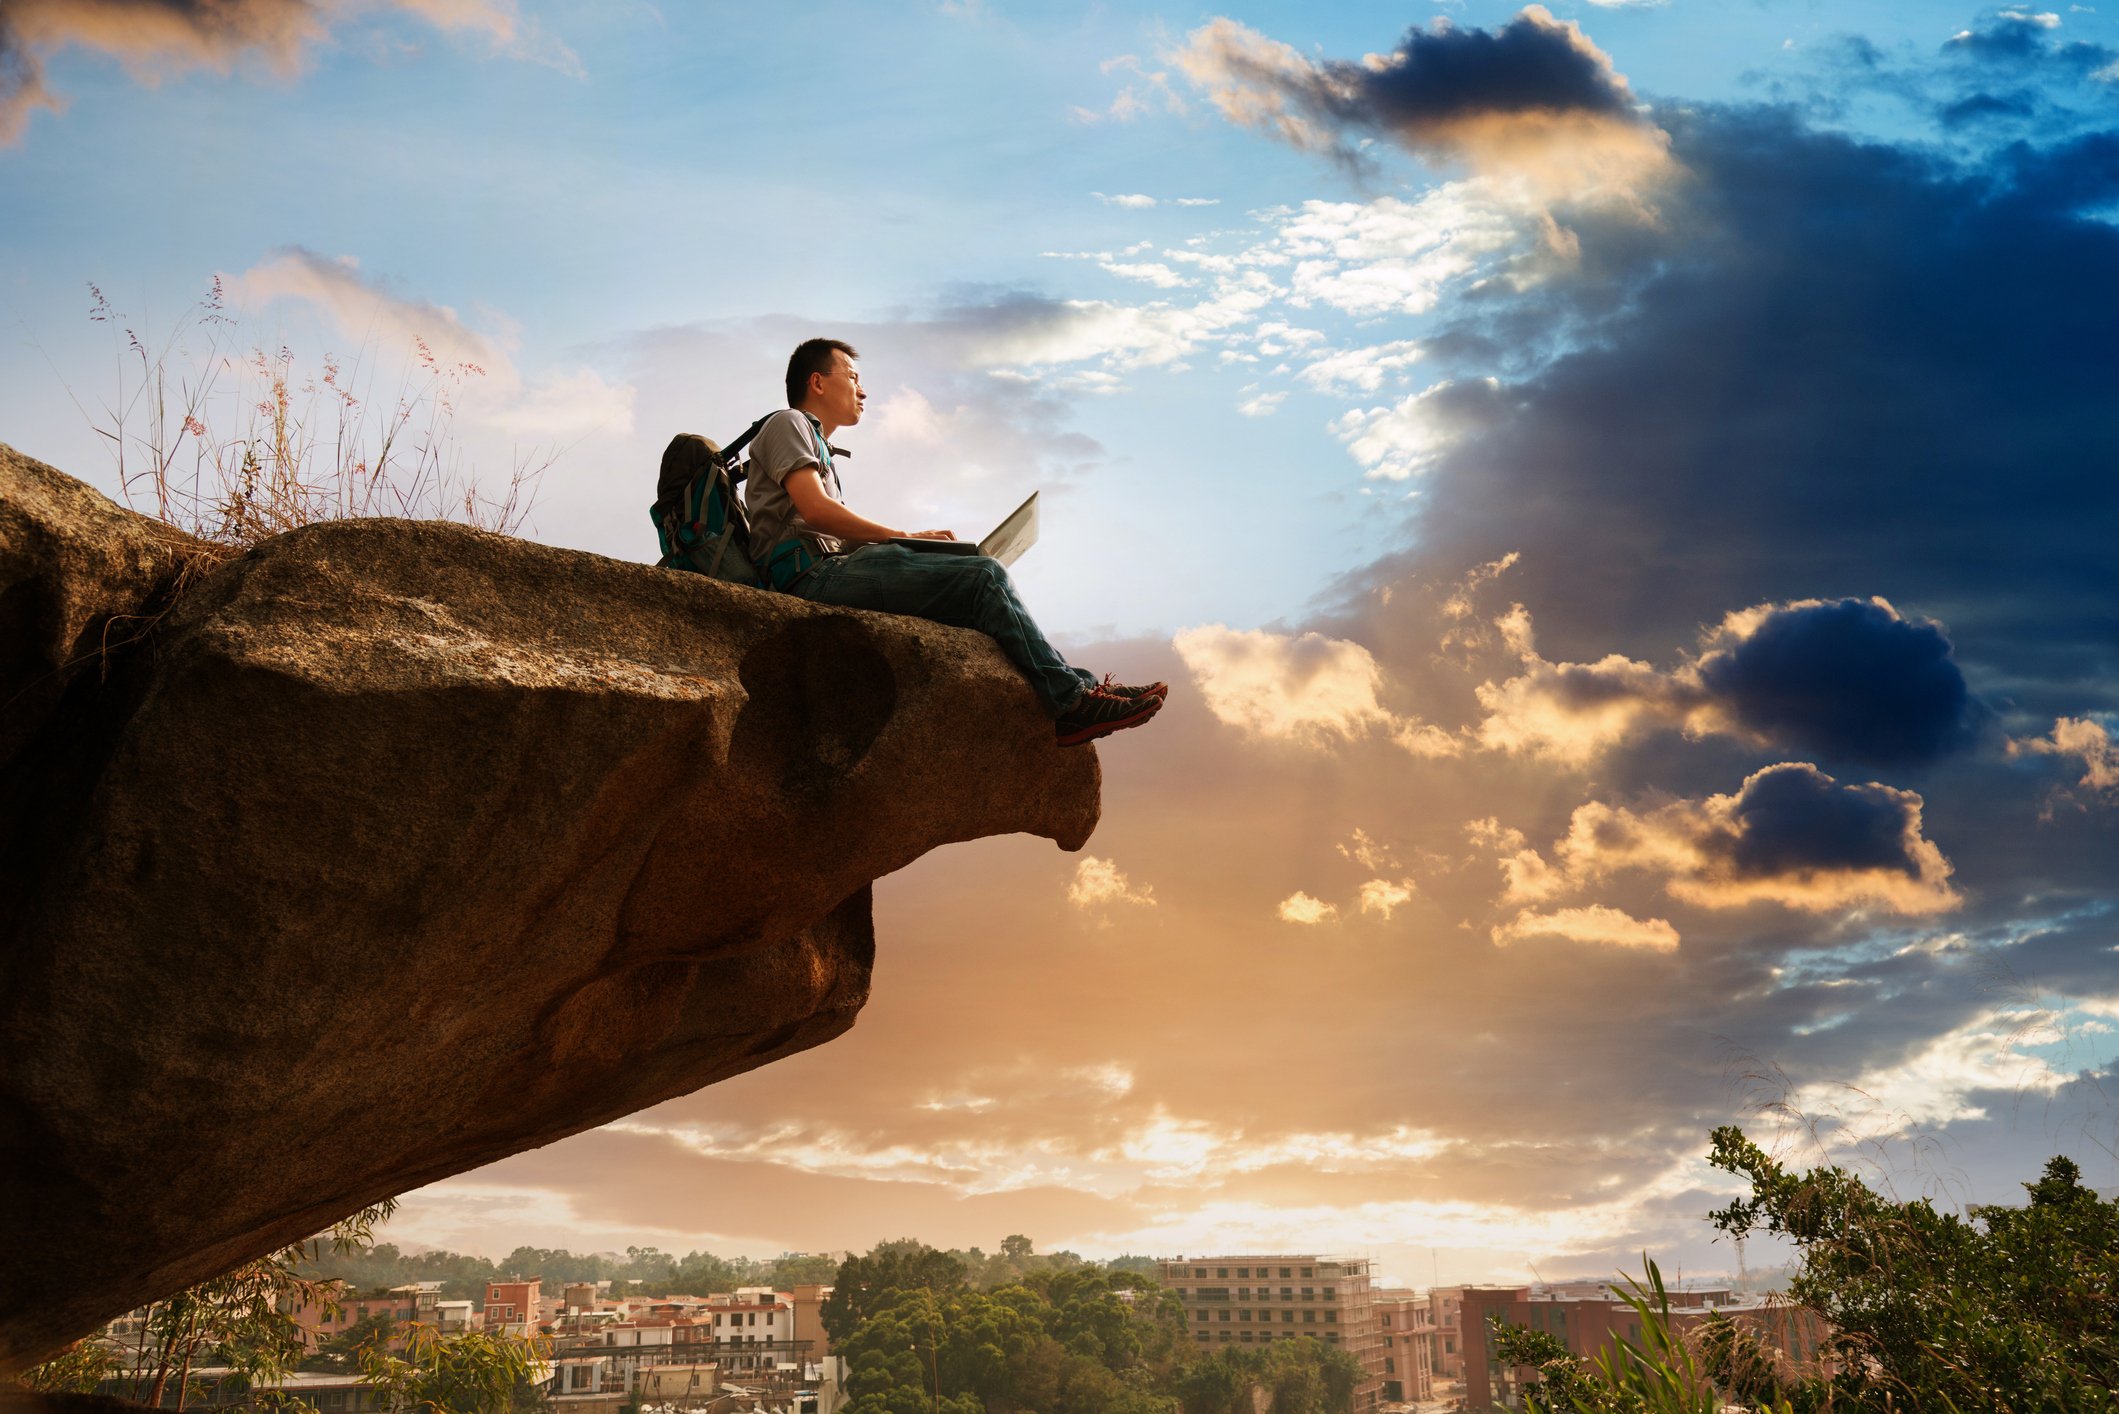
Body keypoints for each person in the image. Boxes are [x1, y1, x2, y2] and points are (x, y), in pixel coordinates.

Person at [744, 337, 1166, 746]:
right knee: (982, 575)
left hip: (826, 569)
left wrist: (918, 545)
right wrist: (903, 537)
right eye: (853, 377)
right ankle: (1073, 704)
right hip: (810, 578)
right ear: (817, 382)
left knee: (975, 584)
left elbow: (823, 528)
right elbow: (817, 512)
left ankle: (1083, 687)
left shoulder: (818, 443)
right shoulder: (789, 422)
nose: (863, 390)